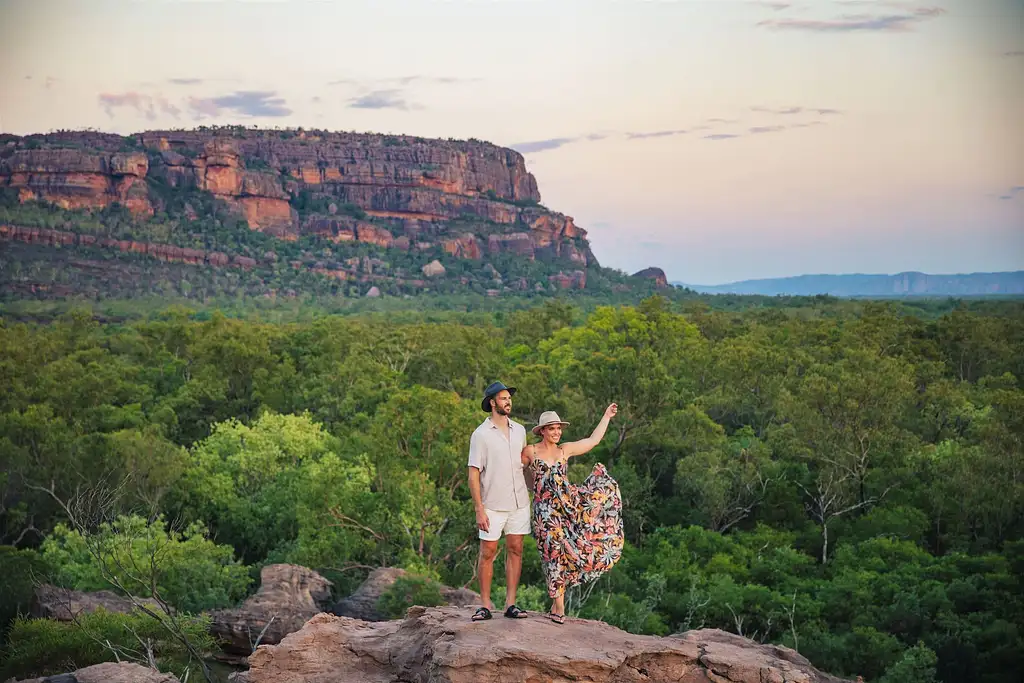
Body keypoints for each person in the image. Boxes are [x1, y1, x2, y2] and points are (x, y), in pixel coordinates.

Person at [521, 403, 624, 624]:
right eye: (552, 428)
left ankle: (555, 603)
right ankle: (559, 606)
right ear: (542, 431)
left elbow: (593, 441)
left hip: (569, 507)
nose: (556, 432)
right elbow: (517, 471)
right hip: (545, 511)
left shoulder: (564, 450)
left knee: (569, 552)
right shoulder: (530, 451)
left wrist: (606, 415)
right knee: (552, 552)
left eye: (559, 428)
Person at [467, 381, 531, 621]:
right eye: (503, 398)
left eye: (509, 398)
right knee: (488, 552)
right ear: (493, 403)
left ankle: (510, 604)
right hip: (492, 504)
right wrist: (479, 509)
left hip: (519, 502)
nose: (508, 402)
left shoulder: (521, 431)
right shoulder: (480, 435)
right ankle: (484, 605)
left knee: (516, 549)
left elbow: (524, 465)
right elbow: (473, 473)